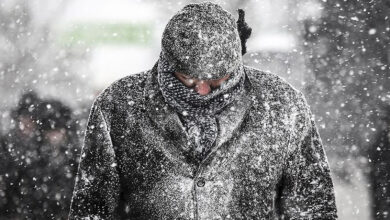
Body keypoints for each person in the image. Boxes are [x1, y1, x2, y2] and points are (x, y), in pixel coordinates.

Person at [69, 2, 337, 219]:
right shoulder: (118, 106)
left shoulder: (281, 105)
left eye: (216, 79)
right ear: (166, 63)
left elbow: (312, 206)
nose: (202, 90)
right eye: (188, 78)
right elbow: (91, 208)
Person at [0, 92, 80, 219]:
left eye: (58, 130)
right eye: (50, 130)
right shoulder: (28, 158)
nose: (55, 136)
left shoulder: (77, 158)